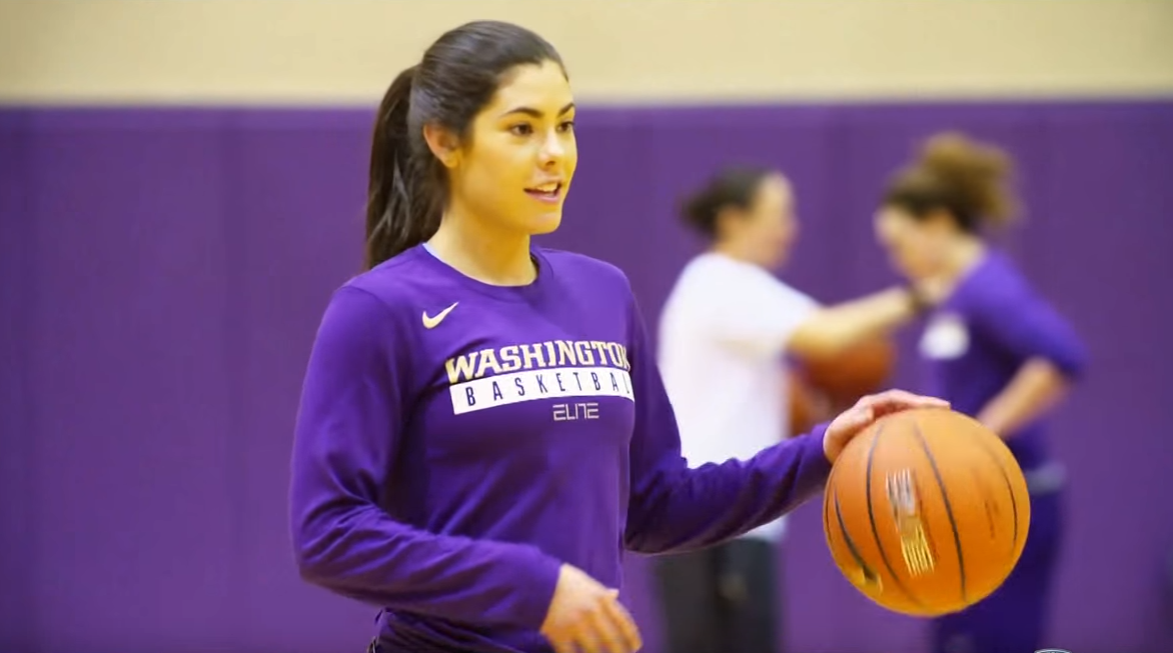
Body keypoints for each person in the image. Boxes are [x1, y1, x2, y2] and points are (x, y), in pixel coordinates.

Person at [287, 19, 949, 653]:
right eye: (522, 128)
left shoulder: (602, 293)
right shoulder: (380, 308)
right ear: (444, 141)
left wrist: (822, 452)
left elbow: (657, 503)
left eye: (565, 125)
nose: (554, 153)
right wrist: (533, 587)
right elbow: (328, 533)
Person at [652, 164, 941, 653]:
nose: (791, 229)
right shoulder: (719, 280)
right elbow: (828, 334)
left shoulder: (729, 289)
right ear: (733, 220)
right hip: (712, 518)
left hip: (724, 517)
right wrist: (924, 294)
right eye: (779, 215)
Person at [873, 132, 1088, 653]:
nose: (897, 260)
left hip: (1004, 501)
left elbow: (1062, 356)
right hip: (960, 502)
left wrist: (974, 437)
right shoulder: (955, 295)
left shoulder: (989, 287)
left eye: (899, 244)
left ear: (939, 223)